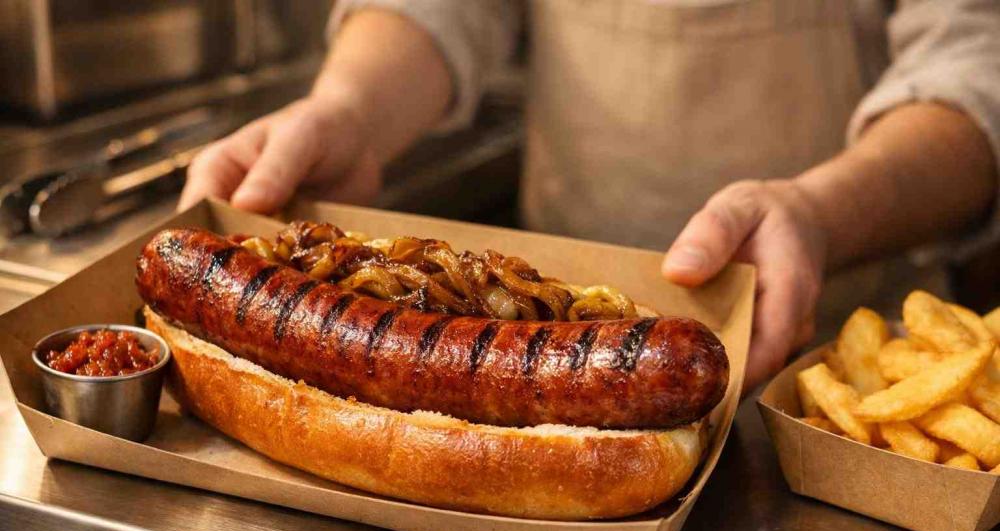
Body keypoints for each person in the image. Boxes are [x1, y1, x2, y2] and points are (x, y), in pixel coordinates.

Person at [180, 1, 1000, 389]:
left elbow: (977, 60)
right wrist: (348, 111)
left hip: (838, 374)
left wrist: (821, 214)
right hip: (540, 325)